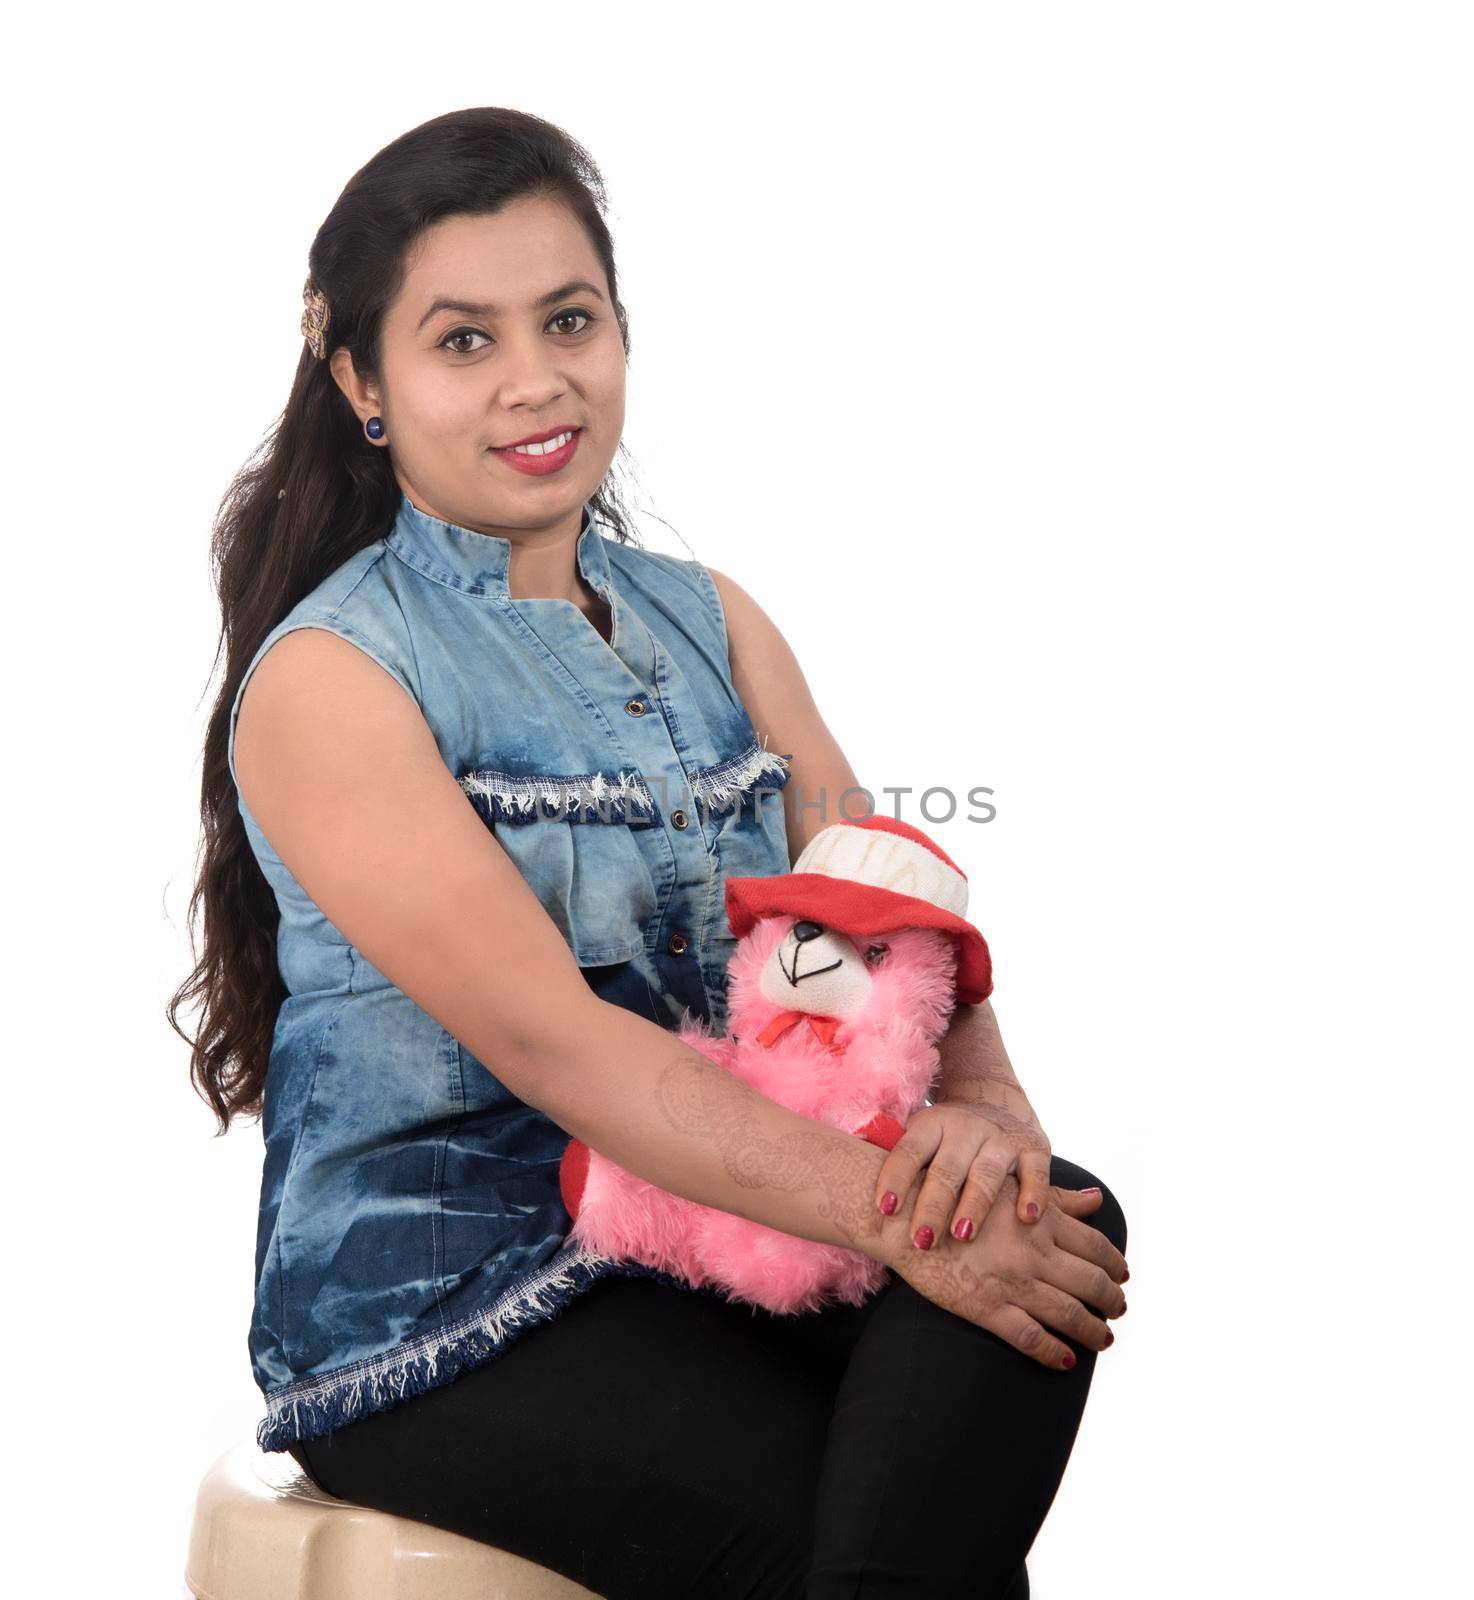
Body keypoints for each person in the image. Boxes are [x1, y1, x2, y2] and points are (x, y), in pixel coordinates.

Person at [171, 106, 1130, 1600]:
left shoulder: (715, 619)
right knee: (868, 1528)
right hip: (453, 1308)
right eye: (461, 341)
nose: (536, 382)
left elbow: (887, 917)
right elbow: (578, 1063)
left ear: (621, 326)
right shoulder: (333, 682)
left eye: (568, 320)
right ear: (362, 379)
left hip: (725, 1228)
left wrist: (986, 1117)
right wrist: (905, 1219)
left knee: (1053, 1213)